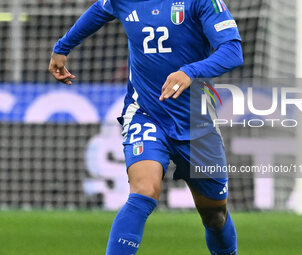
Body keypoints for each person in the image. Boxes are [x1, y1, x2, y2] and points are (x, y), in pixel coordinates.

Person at [49, 0, 243, 254]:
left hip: (196, 121)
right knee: (143, 191)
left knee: (214, 214)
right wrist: (62, 48)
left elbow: (232, 51)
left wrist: (190, 71)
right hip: (145, 114)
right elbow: (99, 9)